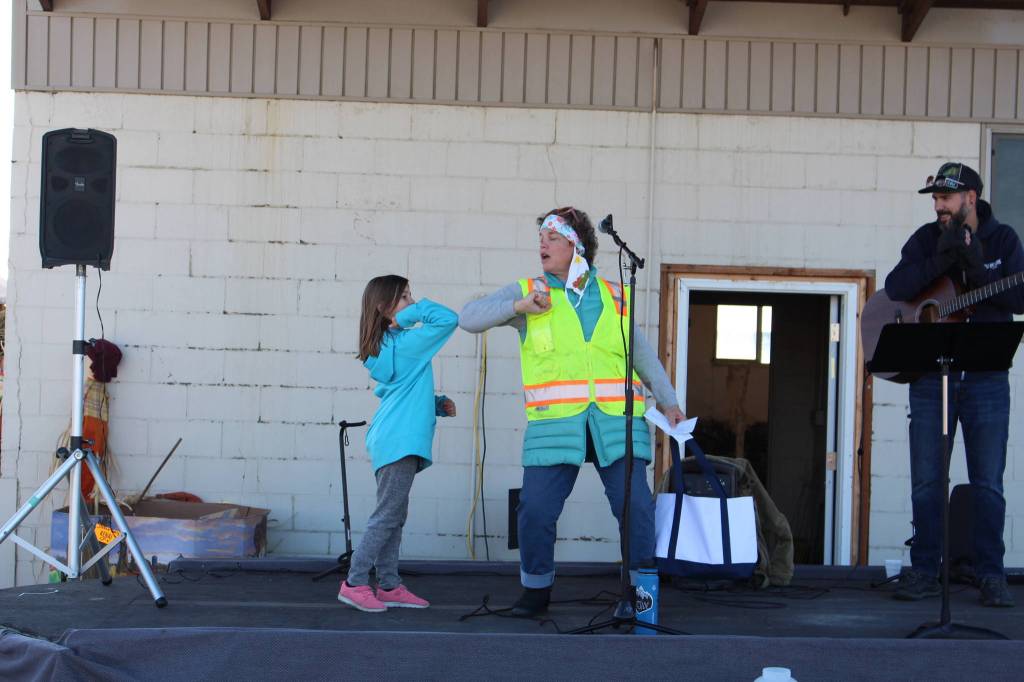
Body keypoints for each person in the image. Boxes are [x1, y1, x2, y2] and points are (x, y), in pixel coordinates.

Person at [459, 207, 686, 617]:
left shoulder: (616, 295)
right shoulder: (530, 291)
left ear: (577, 246)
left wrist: (668, 401)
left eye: (553, 237)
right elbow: (468, 318)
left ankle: (640, 596)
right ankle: (536, 591)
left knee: (636, 509)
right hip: (555, 425)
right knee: (536, 511)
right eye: (541, 237)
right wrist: (520, 305)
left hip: (616, 421)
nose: (542, 244)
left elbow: (642, 356)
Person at [885, 162, 1024, 608]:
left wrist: (978, 268)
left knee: (988, 482)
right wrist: (943, 256)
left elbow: (1019, 299)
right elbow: (896, 287)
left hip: (986, 379)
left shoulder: (1003, 241)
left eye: (946, 198)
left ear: (971, 197)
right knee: (927, 480)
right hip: (930, 378)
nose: (939, 206)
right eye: (935, 200)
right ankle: (925, 570)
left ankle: (990, 574)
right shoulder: (927, 238)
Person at [337, 275, 458, 613]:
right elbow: (449, 319)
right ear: (383, 308)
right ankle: (355, 582)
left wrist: (436, 404)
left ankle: (388, 584)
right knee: (387, 515)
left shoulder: (392, 345)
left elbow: (399, 392)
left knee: (394, 515)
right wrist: (411, 314)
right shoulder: (403, 343)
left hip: (394, 436)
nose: (412, 303)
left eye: (411, 296)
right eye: (404, 298)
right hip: (399, 441)